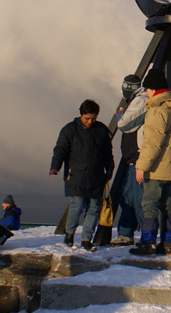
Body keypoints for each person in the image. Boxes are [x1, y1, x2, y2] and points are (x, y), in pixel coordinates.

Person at [131, 69, 171, 256]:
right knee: (169, 205)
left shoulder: (158, 111)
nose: (146, 93)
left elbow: (152, 143)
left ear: (153, 90)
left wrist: (141, 167)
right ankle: (168, 243)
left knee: (150, 204)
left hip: (156, 169)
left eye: (147, 89)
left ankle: (148, 243)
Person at [49, 99, 114, 250]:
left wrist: (109, 169)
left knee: (94, 208)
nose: (90, 122)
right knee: (77, 205)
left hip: (96, 176)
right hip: (76, 175)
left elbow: (107, 152)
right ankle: (70, 233)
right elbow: (60, 150)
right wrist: (55, 167)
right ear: (81, 115)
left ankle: (86, 239)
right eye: (87, 119)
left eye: (93, 118)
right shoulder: (70, 130)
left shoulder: (101, 130)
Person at [115, 75, 147, 243]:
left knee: (139, 199)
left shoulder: (140, 101)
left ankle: (146, 237)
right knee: (127, 197)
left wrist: (120, 116)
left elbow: (125, 124)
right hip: (131, 159)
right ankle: (125, 233)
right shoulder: (134, 100)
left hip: (138, 158)